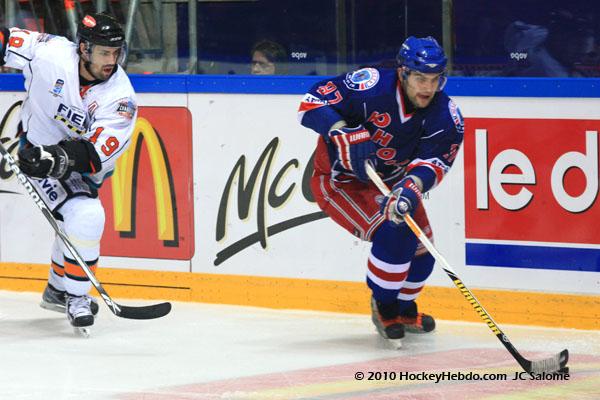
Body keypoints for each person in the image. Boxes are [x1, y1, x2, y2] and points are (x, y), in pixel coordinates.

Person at [298, 36, 464, 345]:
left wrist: (412, 187)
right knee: (396, 232)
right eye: (420, 78)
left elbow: (435, 162)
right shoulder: (371, 85)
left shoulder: (447, 115)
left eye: (435, 79)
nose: (428, 87)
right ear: (403, 72)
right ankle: (385, 308)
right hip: (340, 182)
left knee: (424, 253)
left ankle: (403, 308)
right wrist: (340, 130)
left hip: (393, 183)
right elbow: (311, 102)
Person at [0, 13, 137, 332]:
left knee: (75, 219)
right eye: (104, 52)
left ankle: (57, 289)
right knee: (86, 215)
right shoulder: (50, 53)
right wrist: (44, 156)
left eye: (116, 53)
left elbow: (95, 154)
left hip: (84, 167)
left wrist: (56, 158)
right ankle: (75, 297)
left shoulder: (120, 98)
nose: (112, 61)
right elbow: (5, 41)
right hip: (34, 150)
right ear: (84, 49)